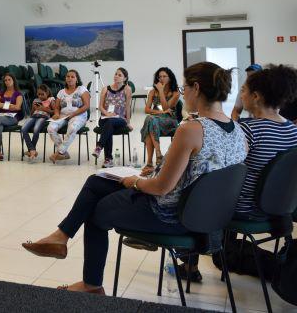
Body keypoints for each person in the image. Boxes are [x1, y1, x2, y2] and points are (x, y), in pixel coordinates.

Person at [21, 62, 247, 295]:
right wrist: (155, 170)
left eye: (184, 88)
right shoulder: (240, 133)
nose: (183, 92)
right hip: (207, 220)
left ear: (196, 88)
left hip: (169, 215)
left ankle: (90, 283)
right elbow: (202, 175)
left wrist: (136, 181)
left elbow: (161, 188)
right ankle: (61, 237)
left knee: (96, 210)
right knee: (96, 181)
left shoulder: (192, 129)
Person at [175, 64, 297, 283]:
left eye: (243, 91)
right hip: (281, 209)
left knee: (191, 189)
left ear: (256, 96)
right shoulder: (293, 130)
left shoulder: (248, 131)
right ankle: (283, 265)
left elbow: (221, 172)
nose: (240, 96)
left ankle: (189, 263)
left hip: (245, 208)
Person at [140, 67, 181, 176]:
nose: (161, 78)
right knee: (150, 120)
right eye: (160, 76)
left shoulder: (176, 93)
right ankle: (158, 154)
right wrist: (160, 113)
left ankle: (150, 162)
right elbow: (146, 110)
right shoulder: (153, 92)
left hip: (170, 121)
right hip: (156, 120)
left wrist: (161, 91)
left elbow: (165, 106)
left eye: (164, 76)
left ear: (170, 78)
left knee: (150, 120)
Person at [92, 68, 133, 168]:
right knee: (108, 124)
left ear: (125, 78)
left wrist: (128, 123)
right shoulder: (105, 88)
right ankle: (108, 160)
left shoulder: (127, 89)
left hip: (120, 119)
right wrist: (106, 113)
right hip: (105, 117)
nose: (116, 76)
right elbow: (100, 106)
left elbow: (128, 107)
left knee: (109, 124)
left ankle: (100, 148)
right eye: (116, 74)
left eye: (119, 75)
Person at [47, 70, 90, 163]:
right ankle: (63, 152)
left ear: (77, 79)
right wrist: (57, 114)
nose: (69, 78)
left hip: (78, 115)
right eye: (68, 76)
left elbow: (86, 106)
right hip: (63, 116)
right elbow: (57, 107)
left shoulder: (82, 89)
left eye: (72, 77)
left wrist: (73, 114)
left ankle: (60, 152)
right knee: (50, 128)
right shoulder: (61, 92)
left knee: (72, 128)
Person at [20, 84, 54, 160]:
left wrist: (44, 109)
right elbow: (31, 113)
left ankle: (31, 150)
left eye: (42, 94)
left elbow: (54, 111)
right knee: (23, 129)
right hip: (34, 116)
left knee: (36, 129)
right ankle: (32, 149)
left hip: (43, 117)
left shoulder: (51, 99)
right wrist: (34, 108)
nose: (40, 96)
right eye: (39, 94)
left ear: (47, 93)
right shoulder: (36, 100)